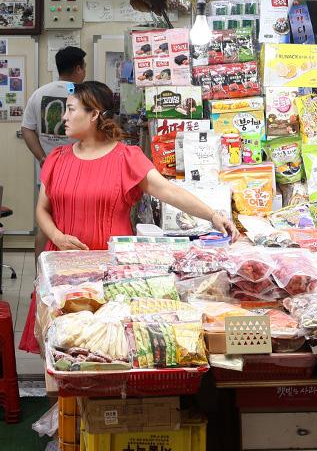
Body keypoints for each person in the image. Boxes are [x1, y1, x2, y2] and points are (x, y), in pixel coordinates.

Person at [19, 81, 238, 353]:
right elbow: (42, 209)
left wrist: (213, 215)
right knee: (60, 345)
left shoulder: (127, 158)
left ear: (94, 114)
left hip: (113, 273)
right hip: (63, 269)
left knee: (109, 348)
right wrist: (57, 236)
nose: (64, 117)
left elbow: (169, 191)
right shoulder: (57, 158)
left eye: (71, 109)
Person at [21, 46, 86, 255]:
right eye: (83, 67)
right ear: (78, 69)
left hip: (47, 173)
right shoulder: (83, 95)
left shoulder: (39, 94)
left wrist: (43, 158)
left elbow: (26, 129)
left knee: (46, 225)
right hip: (79, 172)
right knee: (76, 223)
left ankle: (40, 271)